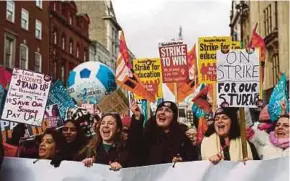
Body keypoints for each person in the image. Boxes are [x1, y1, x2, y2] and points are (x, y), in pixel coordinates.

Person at [131, 101, 198, 166]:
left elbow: (193, 161)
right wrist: (137, 118)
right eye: (160, 109)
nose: (162, 112)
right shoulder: (148, 136)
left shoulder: (182, 138)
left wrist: (182, 161)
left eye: (168, 110)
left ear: (173, 117)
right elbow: (135, 149)